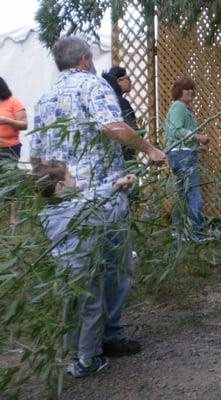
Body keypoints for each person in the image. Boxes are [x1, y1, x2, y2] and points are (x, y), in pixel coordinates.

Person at [30, 36, 167, 369]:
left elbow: (36, 154)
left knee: (79, 276)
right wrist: (149, 149)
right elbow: (111, 126)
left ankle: (78, 342)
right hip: (101, 196)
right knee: (114, 265)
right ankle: (108, 334)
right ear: (84, 61)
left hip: (62, 198)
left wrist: (49, 191)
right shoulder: (93, 87)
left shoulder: (45, 98)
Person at [32, 160, 136, 377]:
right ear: (60, 186)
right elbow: (105, 210)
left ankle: (73, 354)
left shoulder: (49, 212)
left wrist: (115, 185)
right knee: (92, 311)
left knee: (71, 312)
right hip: (84, 269)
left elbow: (89, 197)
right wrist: (122, 193)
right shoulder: (77, 209)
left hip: (65, 270)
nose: (75, 180)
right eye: (70, 177)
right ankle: (88, 359)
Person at [164, 76, 210, 241]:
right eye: (186, 88)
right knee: (193, 193)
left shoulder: (181, 107)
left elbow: (177, 136)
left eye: (192, 88)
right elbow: (175, 131)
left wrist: (196, 148)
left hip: (179, 153)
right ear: (179, 91)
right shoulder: (179, 106)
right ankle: (196, 233)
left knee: (182, 194)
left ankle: (180, 231)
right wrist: (198, 137)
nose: (191, 91)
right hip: (182, 155)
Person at [0, 77, 27, 224]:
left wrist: (7, 121)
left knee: (10, 182)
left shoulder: (13, 102)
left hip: (9, 149)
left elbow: (24, 125)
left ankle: (13, 218)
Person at [101, 67, 139, 161]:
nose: (130, 82)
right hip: (124, 155)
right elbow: (131, 130)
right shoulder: (121, 102)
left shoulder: (105, 100)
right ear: (119, 81)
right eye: (128, 78)